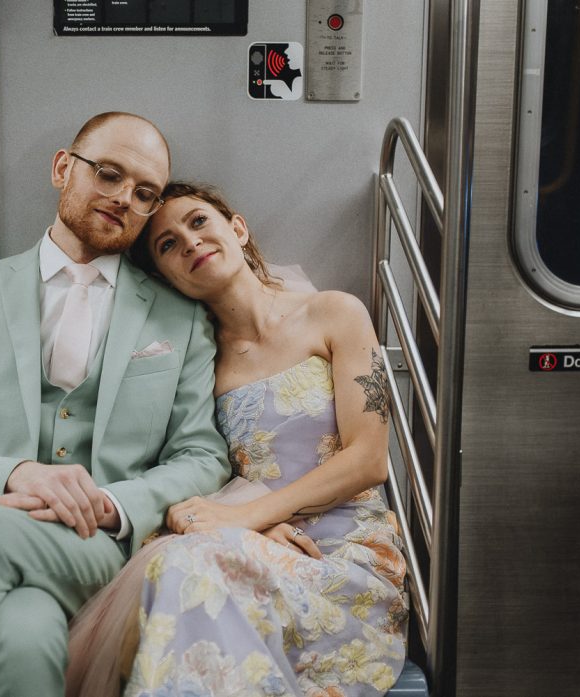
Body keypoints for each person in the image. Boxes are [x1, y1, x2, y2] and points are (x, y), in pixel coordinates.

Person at [0, 116, 231, 697]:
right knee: (22, 640)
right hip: (12, 536)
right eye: (109, 174)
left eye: (144, 193)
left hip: (109, 551)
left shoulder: (180, 316)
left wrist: (111, 504)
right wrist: (19, 473)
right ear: (62, 169)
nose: (124, 197)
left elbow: (201, 454)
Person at [66, 183, 408, 697]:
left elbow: (369, 460)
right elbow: (191, 462)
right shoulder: (193, 361)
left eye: (199, 221)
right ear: (167, 276)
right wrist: (249, 527)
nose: (188, 241)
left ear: (238, 229)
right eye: (167, 244)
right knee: (179, 563)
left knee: (187, 564)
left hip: (345, 556)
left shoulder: (334, 313)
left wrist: (248, 518)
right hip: (253, 541)